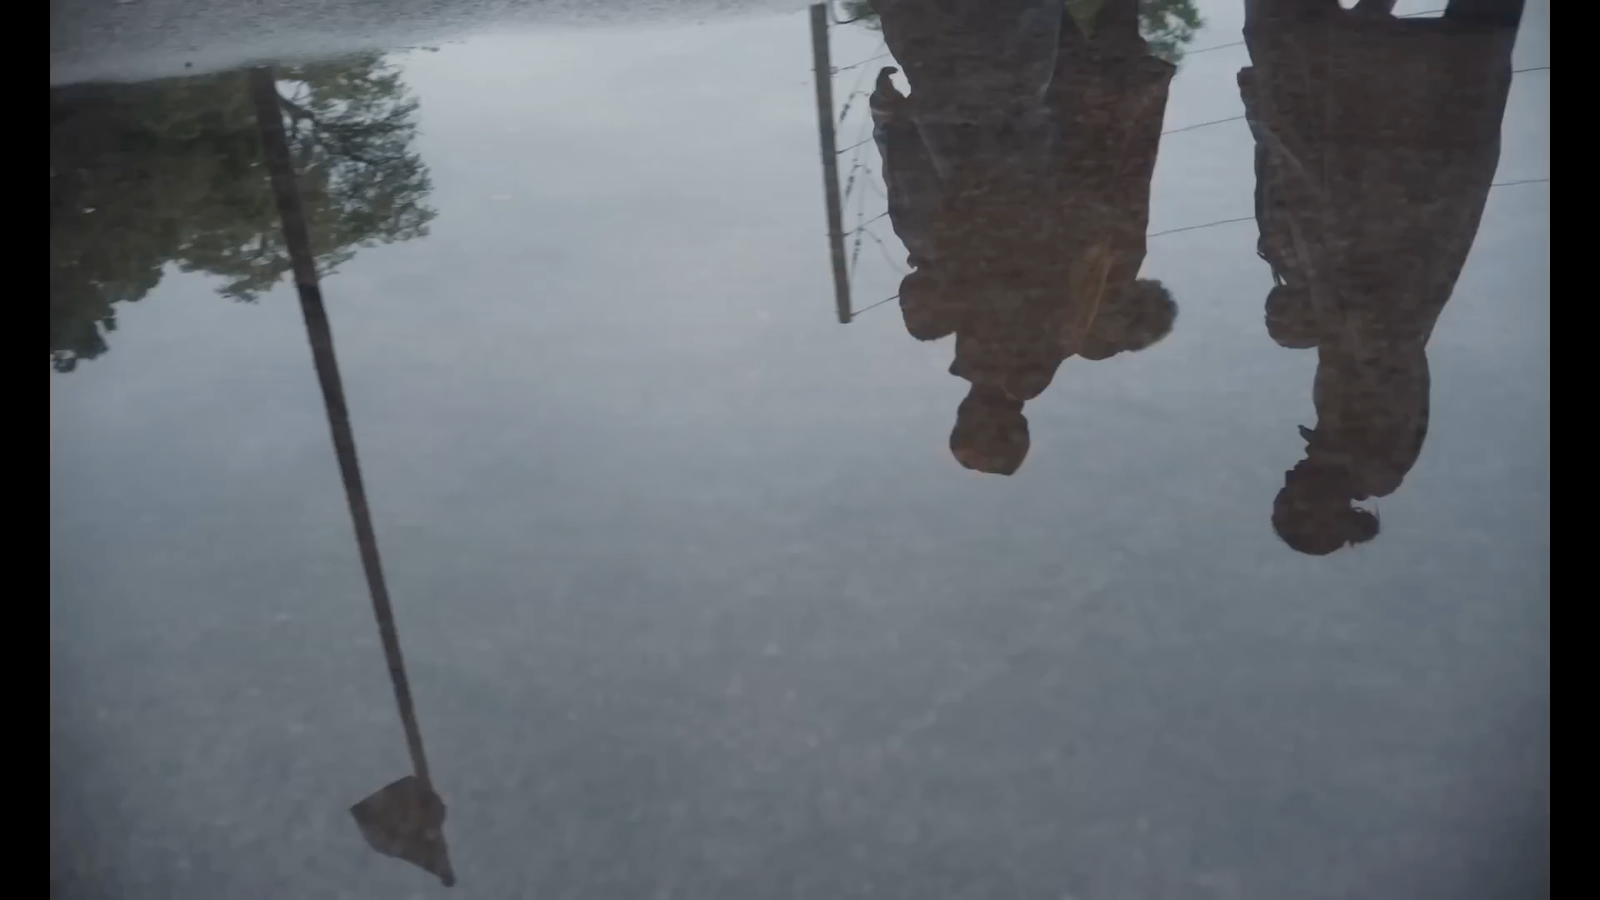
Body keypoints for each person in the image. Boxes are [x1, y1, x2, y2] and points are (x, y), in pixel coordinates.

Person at [1239, 0, 1524, 553]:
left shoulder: (1339, 439)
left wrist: (1304, 307)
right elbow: (1386, 347)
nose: (1288, 481)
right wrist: (1316, 318)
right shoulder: (1375, 459)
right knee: (1403, 116)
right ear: (1327, 513)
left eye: (1282, 494)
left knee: (1318, 104)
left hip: (1360, 248)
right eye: (1294, 500)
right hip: (1390, 251)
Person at [870, 0, 1178, 475]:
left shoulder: (1061, 316)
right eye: (977, 428)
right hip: (986, 97)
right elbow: (932, 214)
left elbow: (1100, 207)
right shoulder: (1047, 316)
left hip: (1003, 92)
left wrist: (893, 131)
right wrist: (893, 129)